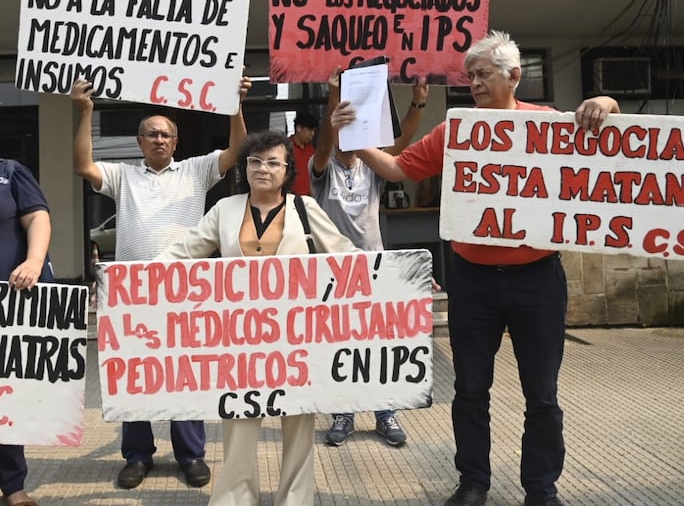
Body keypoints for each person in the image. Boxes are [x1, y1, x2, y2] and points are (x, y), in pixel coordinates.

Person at [336, 32, 620, 506]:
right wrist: (355, 137)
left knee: (543, 395)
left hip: (538, 279)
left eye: (483, 73)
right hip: (473, 280)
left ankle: (541, 489)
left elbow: (613, 139)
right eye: (469, 75)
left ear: (514, 76)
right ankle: (473, 482)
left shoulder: (547, 123)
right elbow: (397, 169)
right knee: (470, 389)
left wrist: (606, 101)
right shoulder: (454, 131)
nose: (473, 83)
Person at [71, 74, 251, 490]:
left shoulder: (196, 170)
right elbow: (82, 165)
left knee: (183, 372)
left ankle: (190, 454)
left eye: (165, 134)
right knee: (135, 372)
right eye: (150, 134)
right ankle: (137, 455)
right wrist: (85, 112)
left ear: (175, 141)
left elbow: (237, 152)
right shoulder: (123, 177)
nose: (158, 139)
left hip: (184, 292)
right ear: (139, 142)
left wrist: (235, 107)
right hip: (133, 295)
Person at [159, 131, 358, 506]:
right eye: (255, 161)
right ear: (244, 167)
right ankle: (235, 496)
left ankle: (296, 498)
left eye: (272, 163)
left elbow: (346, 256)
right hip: (239, 337)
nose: (262, 169)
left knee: (299, 418)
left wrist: (399, 274)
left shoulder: (305, 209)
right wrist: (130, 281)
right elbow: (182, 253)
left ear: (287, 171)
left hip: (297, 335)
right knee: (238, 418)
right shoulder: (225, 210)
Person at [313, 66, 429, 448]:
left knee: (378, 344)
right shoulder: (323, 169)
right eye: (343, 128)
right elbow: (324, 145)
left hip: (375, 269)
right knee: (339, 345)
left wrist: (418, 101)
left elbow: (404, 141)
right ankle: (343, 413)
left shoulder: (372, 168)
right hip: (333, 272)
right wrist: (333, 99)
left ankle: (384, 413)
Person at [0, 158, 54, 506]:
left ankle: (12, 484)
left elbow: (37, 216)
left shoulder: (8, 171)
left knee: (5, 395)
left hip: (9, 303)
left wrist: (34, 261)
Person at [289, 111, 319, 196]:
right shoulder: (285, 148)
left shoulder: (312, 152)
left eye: (314, 130)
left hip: (309, 198)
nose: (312, 134)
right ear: (298, 128)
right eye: (309, 130)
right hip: (289, 198)